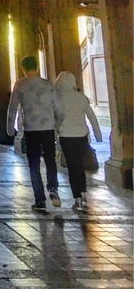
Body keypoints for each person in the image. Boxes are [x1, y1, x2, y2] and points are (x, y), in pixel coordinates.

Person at [7, 56, 64, 211]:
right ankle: (53, 188)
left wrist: (10, 128)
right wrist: (57, 124)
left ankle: (39, 199)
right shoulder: (48, 85)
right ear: (37, 67)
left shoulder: (20, 85)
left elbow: (12, 108)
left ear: (23, 69)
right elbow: (59, 108)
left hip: (31, 129)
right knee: (50, 160)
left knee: (34, 164)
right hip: (48, 129)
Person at [55, 71, 102, 211]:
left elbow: (57, 118)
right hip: (81, 136)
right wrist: (98, 135)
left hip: (66, 137)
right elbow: (92, 117)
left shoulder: (58, 98)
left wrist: (56, 131)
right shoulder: (81, 97)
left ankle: (77, 198)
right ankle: (83, 193)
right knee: (80, 166)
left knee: (72, 166)